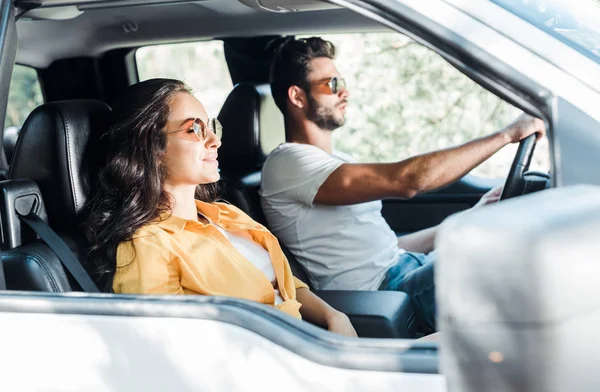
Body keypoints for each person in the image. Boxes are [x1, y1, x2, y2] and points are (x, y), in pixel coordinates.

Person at [260, 37, 546, 330]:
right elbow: (408, 181)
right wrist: (507, 134)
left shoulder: (334, 160)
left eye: (342, 82)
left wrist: (470, 217)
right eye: (332, 84)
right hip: (387, 295)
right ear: (297, 96)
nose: (344, 92)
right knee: (520, 259)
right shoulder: (288, 164)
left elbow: (388, 249)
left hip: (406, 270)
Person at [84, 78, 357, 337]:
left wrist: (334, 317)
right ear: (150, 148)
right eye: (195, 129)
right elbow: (164, 350)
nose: (215, 141)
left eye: (211, 127)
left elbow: (286, 285)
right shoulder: (148, 246)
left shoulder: (226, 214)